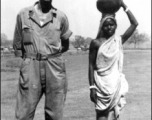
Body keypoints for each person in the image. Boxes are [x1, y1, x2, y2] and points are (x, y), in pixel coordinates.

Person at [13, 0, 73, 120]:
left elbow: (65, 45)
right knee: (23, 114)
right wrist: (32, 58)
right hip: (31, 66)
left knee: (55, 114)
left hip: (54, 67)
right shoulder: (23, 14)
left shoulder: (61, 16)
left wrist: (51, 56)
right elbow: (17, 44)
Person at [88, 1, 138, 120]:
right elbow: (91, 66)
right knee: (101, 117)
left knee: (113, 117)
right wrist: (92, 88)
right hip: (101, 85)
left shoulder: (119, 40)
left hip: (115, 85)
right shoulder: (95, 43)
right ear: (102, 26)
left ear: (116, 25)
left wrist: (123, 5)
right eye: (106, 25)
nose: (109, 27)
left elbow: (134, 23)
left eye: (112, 24)